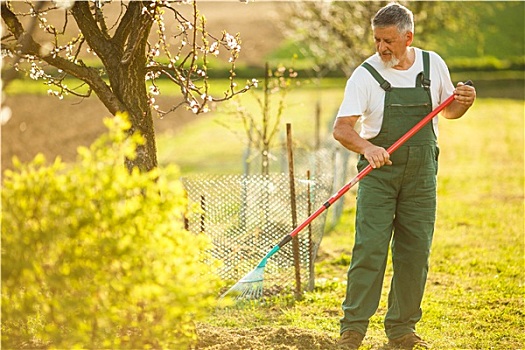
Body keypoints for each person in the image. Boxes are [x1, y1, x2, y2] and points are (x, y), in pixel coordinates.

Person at [333, 3, 476, 349]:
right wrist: (367, 148)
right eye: (377, 40)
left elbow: (449, 109)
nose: (381, 48)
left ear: (408, 37)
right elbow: (342, 129)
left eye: (388, 41)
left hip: (421, 176)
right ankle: (352, 329)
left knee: (415, 252)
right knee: (370, 249)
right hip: (379, 177)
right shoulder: (365, 75)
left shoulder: (432, 65)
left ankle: (402, 330)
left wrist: (464, 102)